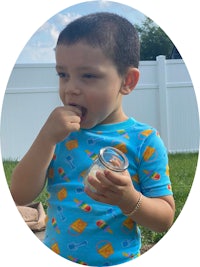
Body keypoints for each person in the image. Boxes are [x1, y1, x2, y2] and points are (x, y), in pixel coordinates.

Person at [10, 12, 175, 266]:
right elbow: (19, 194)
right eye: (62, 75)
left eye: (88, 76)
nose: (70, 88)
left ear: (127, 82)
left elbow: (164, 219)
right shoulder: (58, 134)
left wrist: (129, 199)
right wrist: (45, 138)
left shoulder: (145, 141)